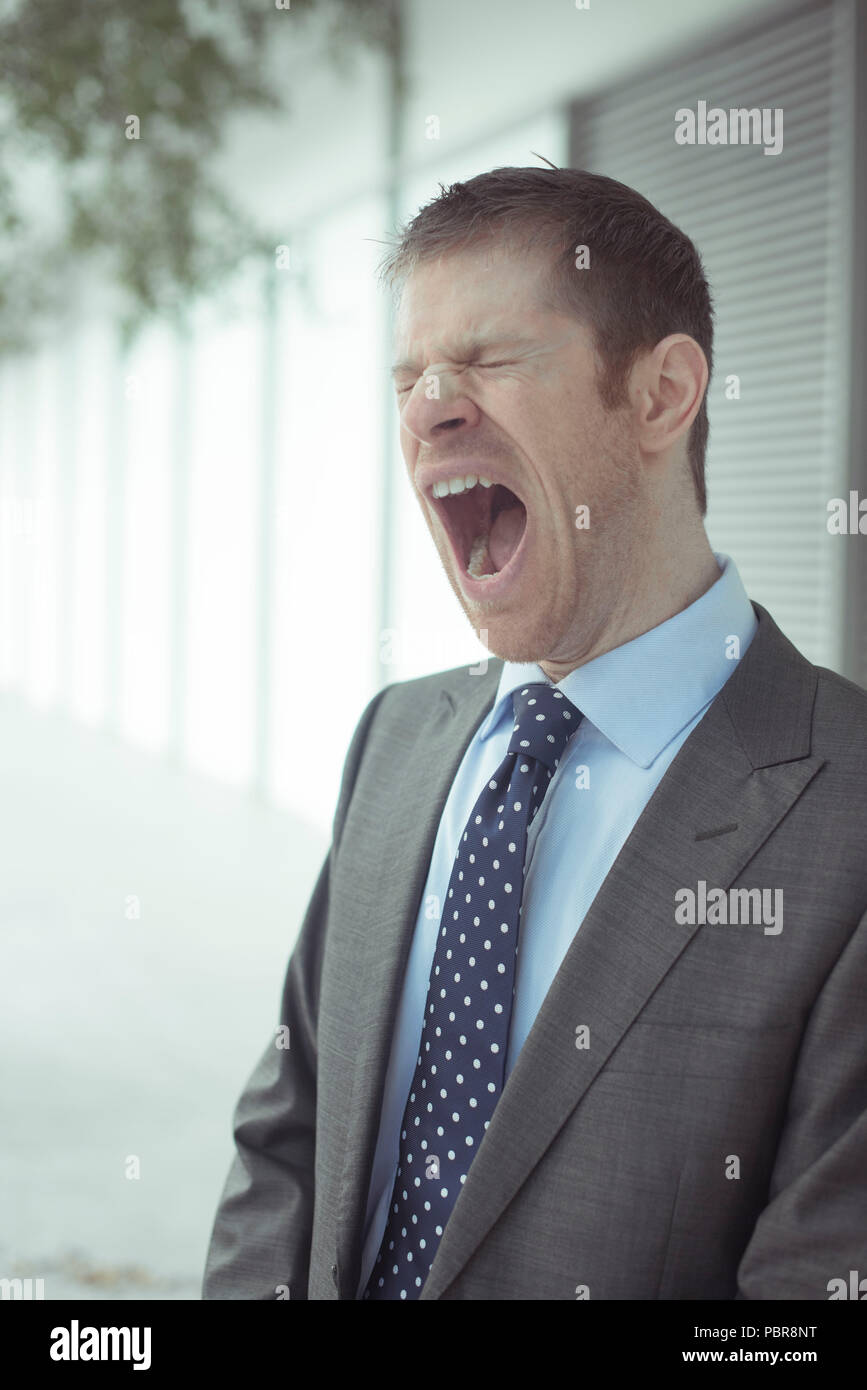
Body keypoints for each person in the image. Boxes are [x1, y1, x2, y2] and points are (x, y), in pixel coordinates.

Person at [203, 168, 867, 1300]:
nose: (428, 408)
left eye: (492, 360)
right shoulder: (398, 736)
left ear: (662, 395)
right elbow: (289, 1132)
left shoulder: (843, 809)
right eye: (409, 376)